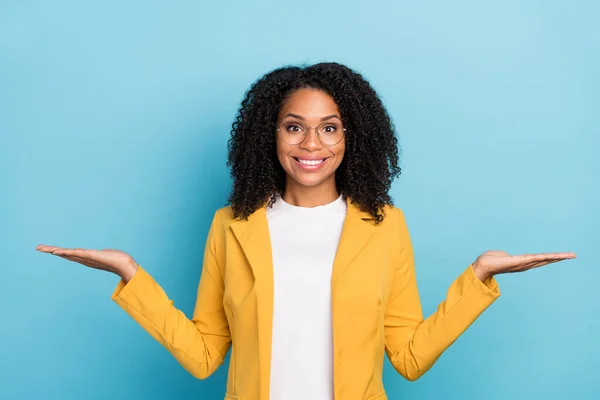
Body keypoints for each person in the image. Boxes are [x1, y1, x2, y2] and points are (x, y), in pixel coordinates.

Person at [36, 62, 575, 400]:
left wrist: (478, 277)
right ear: (269, 135)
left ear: (351, 137)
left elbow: (408, 358)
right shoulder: (232, 227)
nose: (311, 143)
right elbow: (203, 357)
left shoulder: (384, 226)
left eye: (329, 128)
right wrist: (130, 276)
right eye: (294, 126)